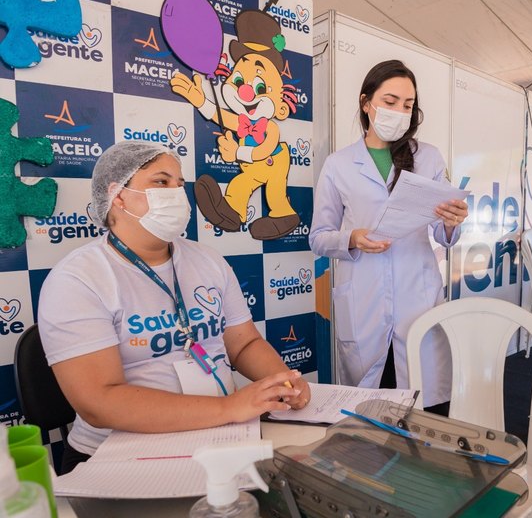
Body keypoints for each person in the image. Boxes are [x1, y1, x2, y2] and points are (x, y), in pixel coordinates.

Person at [38, 141, 311, 473]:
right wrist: (229, 407)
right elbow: (100, 401)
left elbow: (244, 343)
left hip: (222, 435)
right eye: (161, 182)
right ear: (118, 195)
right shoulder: (79, 278)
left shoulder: (207, 260)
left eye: (180, 184)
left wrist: (283, 381)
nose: (177, 193)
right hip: (118, 455)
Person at [309, 60, 468, 413]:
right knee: (372, 412)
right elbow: (318, 237)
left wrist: (453, 221)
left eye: (408, 106)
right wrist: (352, 238)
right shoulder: (339, 164)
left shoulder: (428, 158)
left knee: (424, 408)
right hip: (365, 301)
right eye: (391, 101)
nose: (400, 112)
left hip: (418, 298)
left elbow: (443, 234)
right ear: (367, 103)